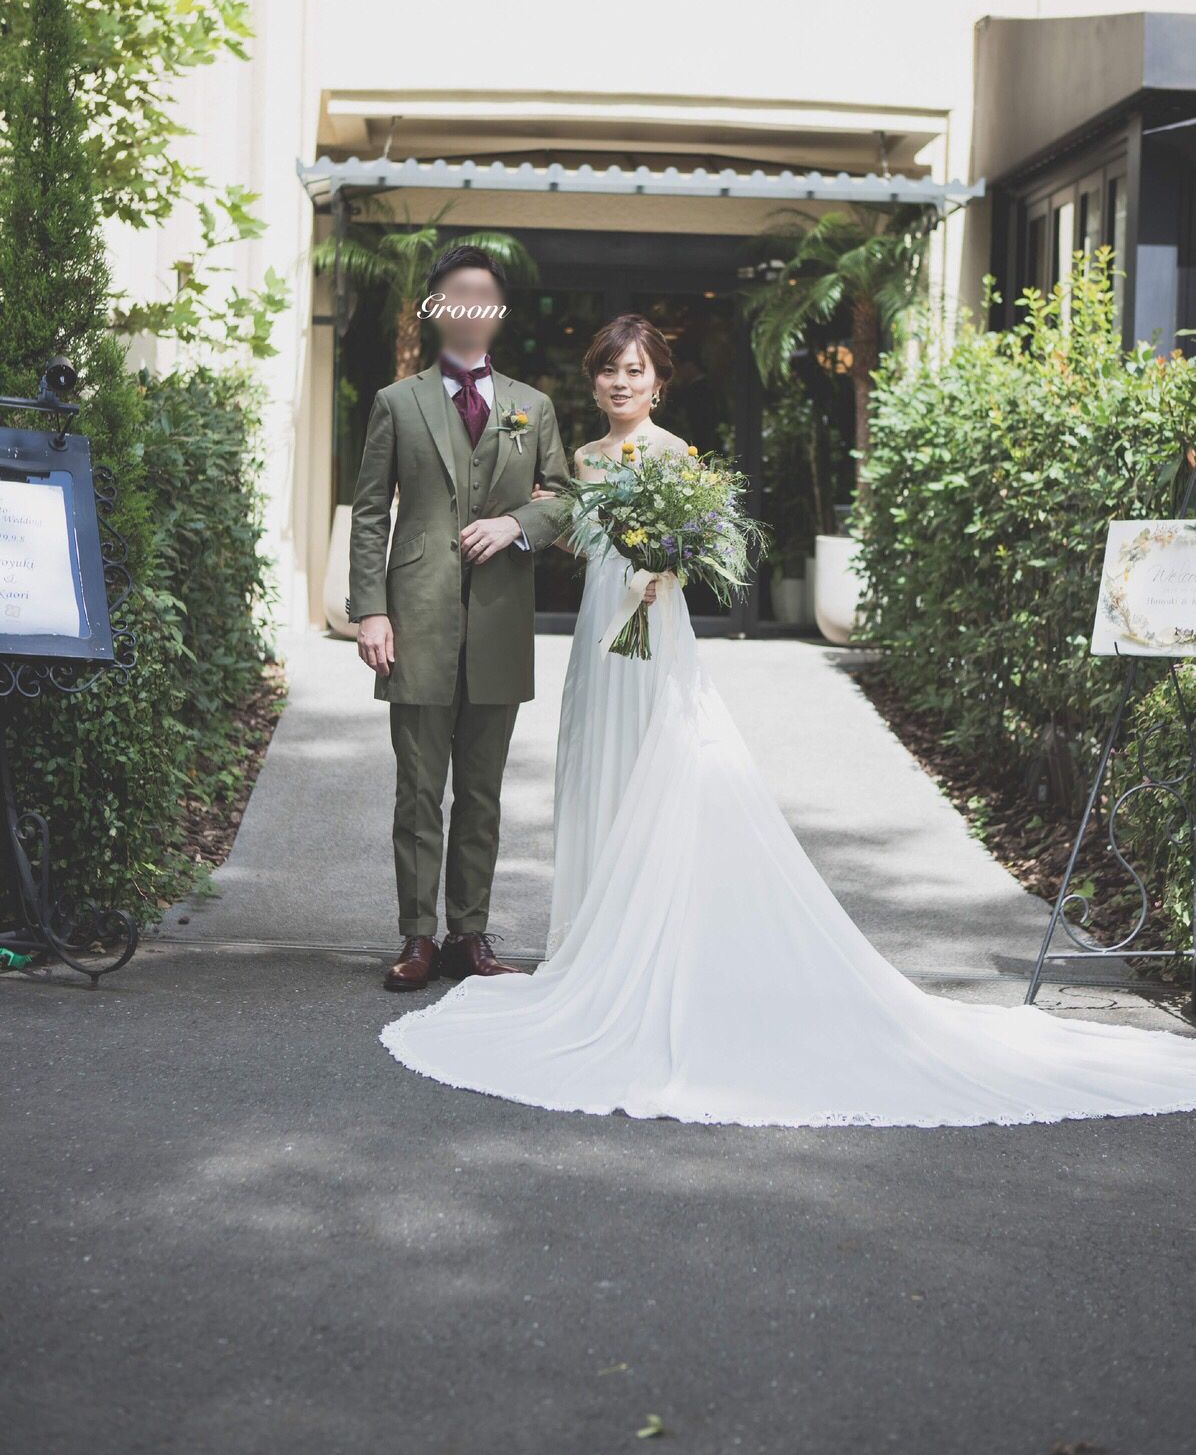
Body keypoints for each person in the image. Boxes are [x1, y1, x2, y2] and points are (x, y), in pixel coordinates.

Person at [380, 315, 1196, 1129]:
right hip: (600, 639)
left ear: (659, 381)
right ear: (593, 380)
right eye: (608, 370)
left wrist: (668, 565)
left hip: (654, 636)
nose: (621, 382)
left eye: (635, 370)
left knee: (655, 775)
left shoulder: (676, 457)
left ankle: (659, 949)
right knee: (594, 772)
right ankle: (592, 948)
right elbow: (569, 534)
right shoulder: (581, 461)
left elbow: (701, 545)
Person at [348, 245, 570, 993]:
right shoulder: (396, 402)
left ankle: (469, 935)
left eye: (484, 296)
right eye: (457, 295)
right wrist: (370, 609)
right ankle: (417, 937)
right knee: (417, 791)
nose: (471, 308)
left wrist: (516, 524)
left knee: (482, 792)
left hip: (500, 618)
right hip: (415, 615)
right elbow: (371, 512)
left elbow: (564, 498)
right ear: (436, 308)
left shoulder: (532, 405)